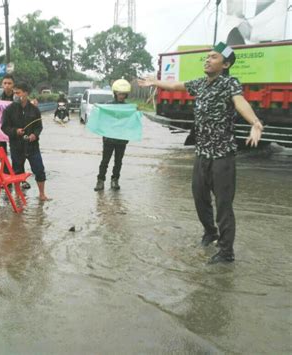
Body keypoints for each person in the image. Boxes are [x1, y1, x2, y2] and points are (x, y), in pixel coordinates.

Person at [138, 42, 263, 264]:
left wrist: (255, 122)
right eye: (207, 56)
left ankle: (226, 252)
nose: (207, 59)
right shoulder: (200, 84)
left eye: (213, 57)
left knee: (223, 204)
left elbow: (240, 101)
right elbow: (177, 85)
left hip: (222, 155)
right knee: (199, 196)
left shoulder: (229, 83)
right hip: (203, 153)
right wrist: (155, 81)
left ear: (224, 64)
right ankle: (210, 232)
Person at [1, 82, 49, 201]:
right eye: (15, 93)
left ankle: (42, 194)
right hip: (16, 146)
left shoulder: (34, 110)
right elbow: (4, 127)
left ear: (26, 93)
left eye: (18, 92)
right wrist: (15, 131)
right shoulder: (9, 109)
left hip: (32, 146)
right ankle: (18, 196)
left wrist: (35, 135)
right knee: (17, 172)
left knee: (39, 170)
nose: (16, 95)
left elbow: (39, 126)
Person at [0, 74, 30, 189]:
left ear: (13, 85)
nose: (7, 86)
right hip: (1, 131)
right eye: (5, 83)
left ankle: (21, 179)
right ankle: (7, 179)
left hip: (15, 131)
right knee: (2, 155)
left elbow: (27, 108)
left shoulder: (18, 97)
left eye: (9, 83)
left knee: (18, 155)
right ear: (2, 84)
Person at [94, 78, 132, 192]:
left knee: (118, 161)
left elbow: (130, 123)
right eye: (120, 94)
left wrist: (136, 112)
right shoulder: (108, 105)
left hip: (121, 139)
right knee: (105, 160)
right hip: (109, 139)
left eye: (124, 94)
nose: (122, 96)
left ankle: (115, 180)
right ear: (115, 93)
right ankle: (100, 181)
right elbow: (103, 120)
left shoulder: (128, 107)